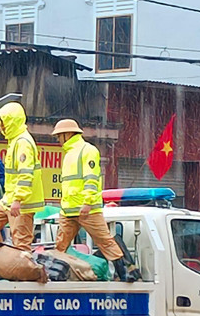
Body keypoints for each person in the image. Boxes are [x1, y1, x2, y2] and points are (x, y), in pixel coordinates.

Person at [51, 119, 140, 283]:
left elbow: (91, 180)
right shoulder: (69, 154)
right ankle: (55, 274)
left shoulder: (88, 151)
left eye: (59, 136)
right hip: (69, 209)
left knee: (104, 241)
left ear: (67, 134)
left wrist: (88, 202)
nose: (57, 139)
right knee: (60, 246)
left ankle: (125, 272)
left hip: (87, 209)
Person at [0, 102, 45, 251]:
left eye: (3, 122)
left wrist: (18, 199)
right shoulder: (15, 141)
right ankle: (1, 258)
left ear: (11, 121)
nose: (1, 126)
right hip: (10, 200)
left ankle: (21, 270)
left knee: (21, 243)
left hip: (21, 203)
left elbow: (25, 174)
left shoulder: (23, 143)